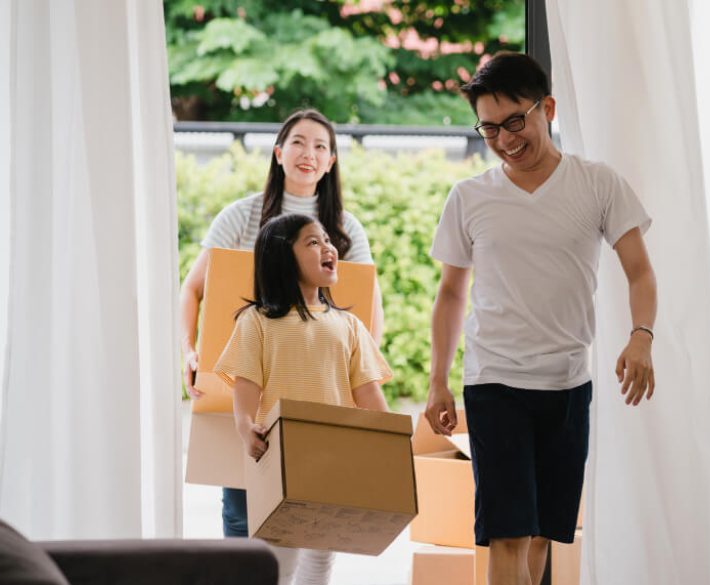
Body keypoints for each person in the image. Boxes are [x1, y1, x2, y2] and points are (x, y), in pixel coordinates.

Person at [425, 52, 658, 585]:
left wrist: (641, 337)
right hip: (495, 381)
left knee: (539, 537)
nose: (505, 139)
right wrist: (437, 380)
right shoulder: (469, 197)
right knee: (506, 532)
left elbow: (640, 272)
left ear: (546, 108)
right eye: (489, 128)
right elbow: (450, 295)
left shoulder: (599, 184)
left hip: (568, 384)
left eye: (515, 122)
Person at [178, 108, 384, 539]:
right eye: (298, 142)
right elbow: (194, 288)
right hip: (247, 381)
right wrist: (189, 351)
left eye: (321, 146)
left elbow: (366, 307)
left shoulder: (345, 230)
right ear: (278, 153)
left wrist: (362, 380)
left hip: (316, 390)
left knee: (317, 520)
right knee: (241, 508)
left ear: (331, 162)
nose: (308, 153)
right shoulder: (240, 215)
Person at [215, 213, 392, 585]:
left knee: (320, 558)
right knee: (278, 558)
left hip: (333, 459)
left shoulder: (348, 325)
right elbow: (245, 391)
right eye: (313, 242)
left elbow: (370, 396)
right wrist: (246, 428)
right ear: (282, 256)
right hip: (281, 458)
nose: (328, 247)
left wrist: (392, 449)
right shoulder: (257, 321)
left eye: (328, 240)